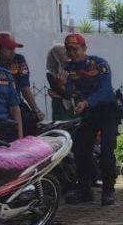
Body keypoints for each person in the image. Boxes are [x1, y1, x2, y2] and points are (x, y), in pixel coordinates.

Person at [62, 33, 119, 205]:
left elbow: (105, 89)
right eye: (69, 50)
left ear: (84, 48)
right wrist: (61, 84)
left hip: (108, 111)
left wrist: (87, 102)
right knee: (80, 147)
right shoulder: (69, 68)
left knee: (107, 150)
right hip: (89, 113)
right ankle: (84, 189)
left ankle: (108, 190)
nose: (72, 53)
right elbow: (69, 92)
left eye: (76, 49)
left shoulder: (98, 64)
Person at [0, 32, 43, 132]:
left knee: (30, 124)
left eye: (14, 48)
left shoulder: (18, 59)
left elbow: (24, 87)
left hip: (16, 103)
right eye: (9, 48)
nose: (13, 52)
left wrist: (36, 110)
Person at [45, 43, 75, 122]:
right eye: (63, 54)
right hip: (61, 106)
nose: (67, 56)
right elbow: (65, 94)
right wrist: (61, 85)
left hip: (75, 105)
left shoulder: (71, 68)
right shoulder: (51, 74)